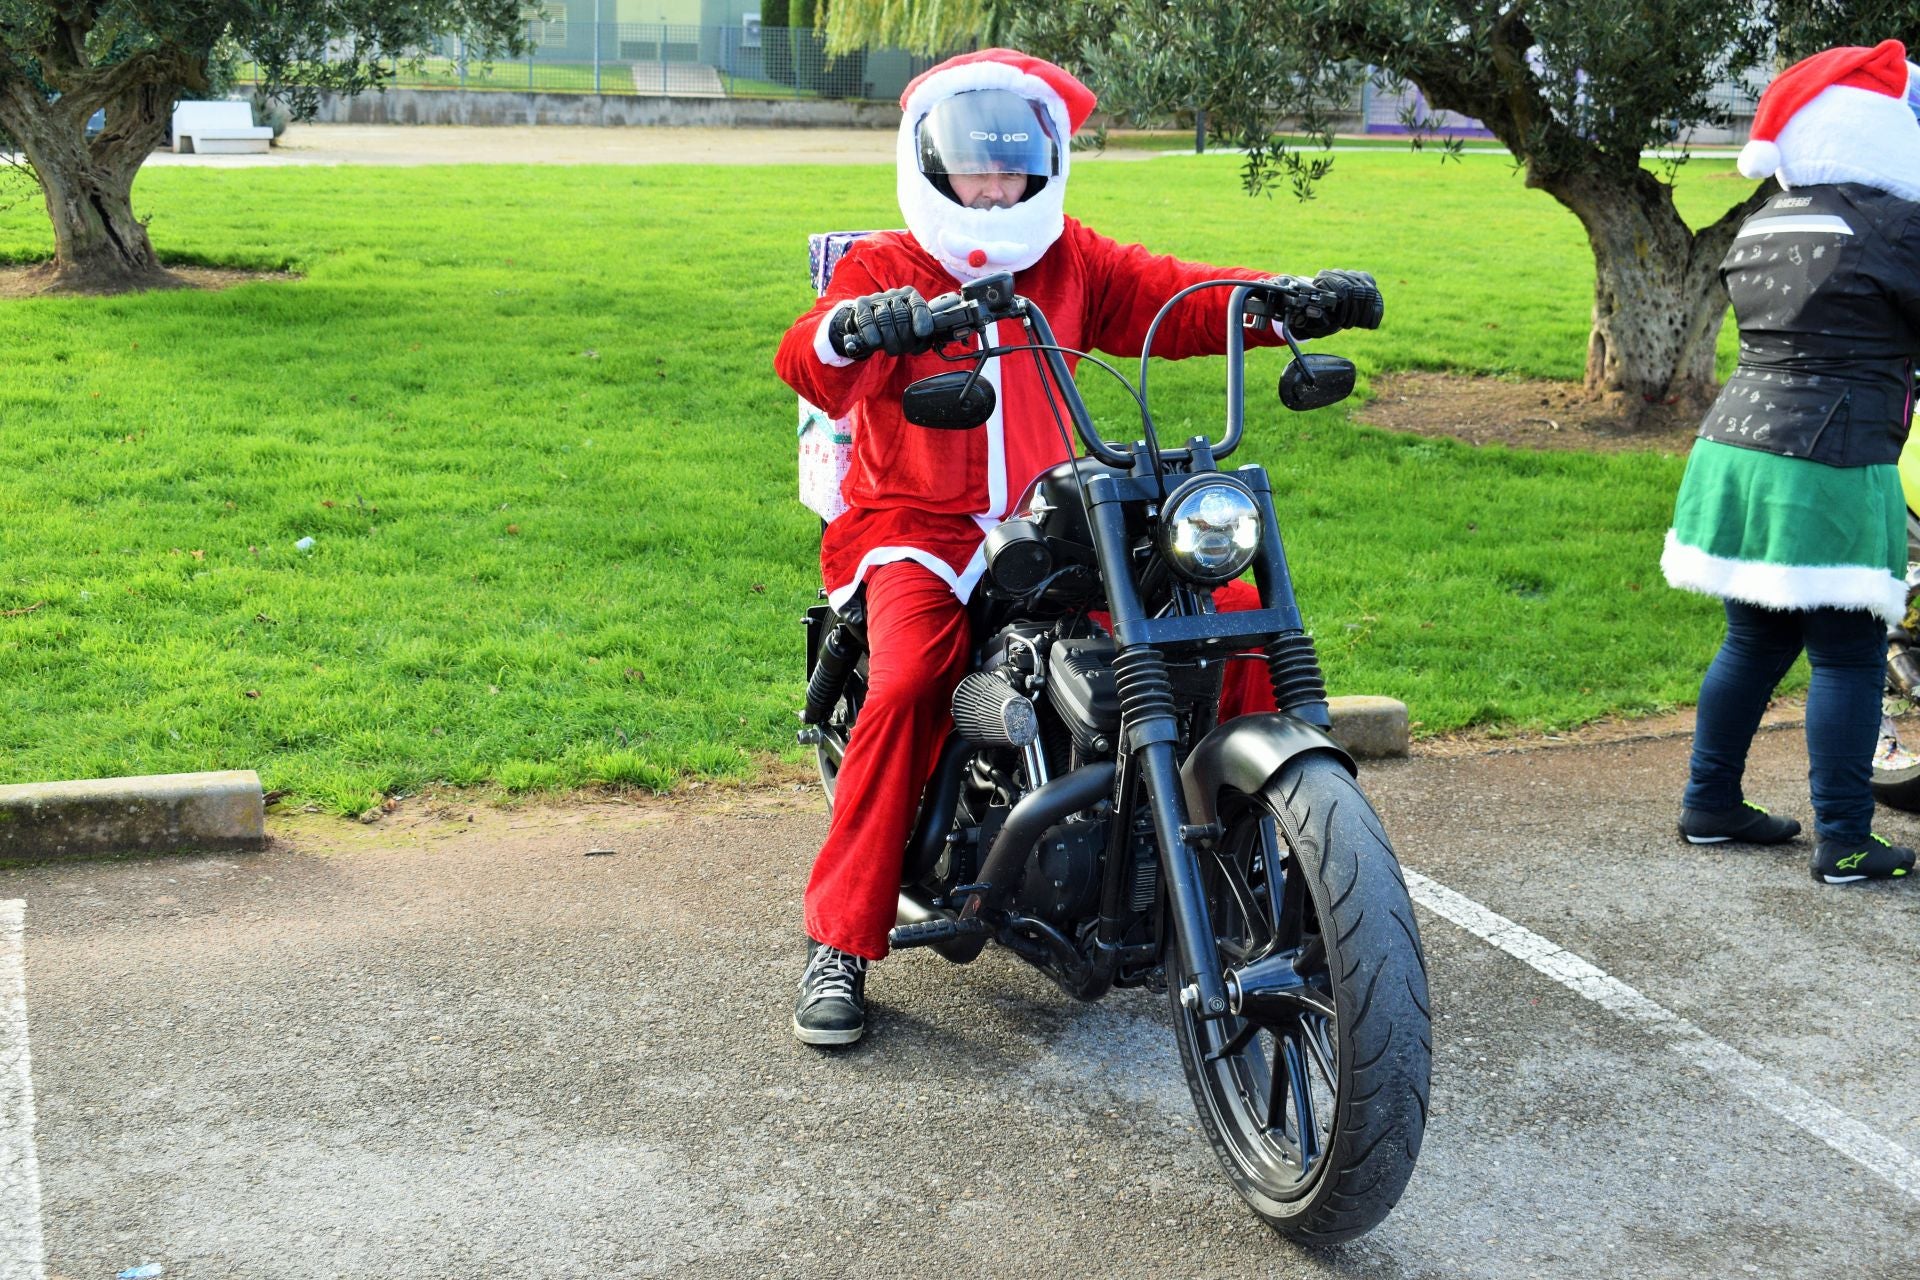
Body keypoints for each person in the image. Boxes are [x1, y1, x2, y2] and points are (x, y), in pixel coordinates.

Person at [773, 48, 1379, 1045]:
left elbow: (1172, 295)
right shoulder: (886, 264)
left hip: (1055, 514)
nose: (998, 186)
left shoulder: (1066, 260)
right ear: (932, 163)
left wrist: (1280, 301)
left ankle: (1253, 870)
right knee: (912, 675)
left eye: (1014, 166)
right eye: (978, 167)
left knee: (1221, 620)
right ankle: (841, 935)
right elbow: (807, 353)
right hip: (916, 525)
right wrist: (855, 327)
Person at [1661, 39, 1920, 888]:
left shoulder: (1767, 217)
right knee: (1849, 649)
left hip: (1736, 447)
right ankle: (1846, 840)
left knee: (1755, 638)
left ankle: (1710, 803)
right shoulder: (1895, 225)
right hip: (1832, 456)